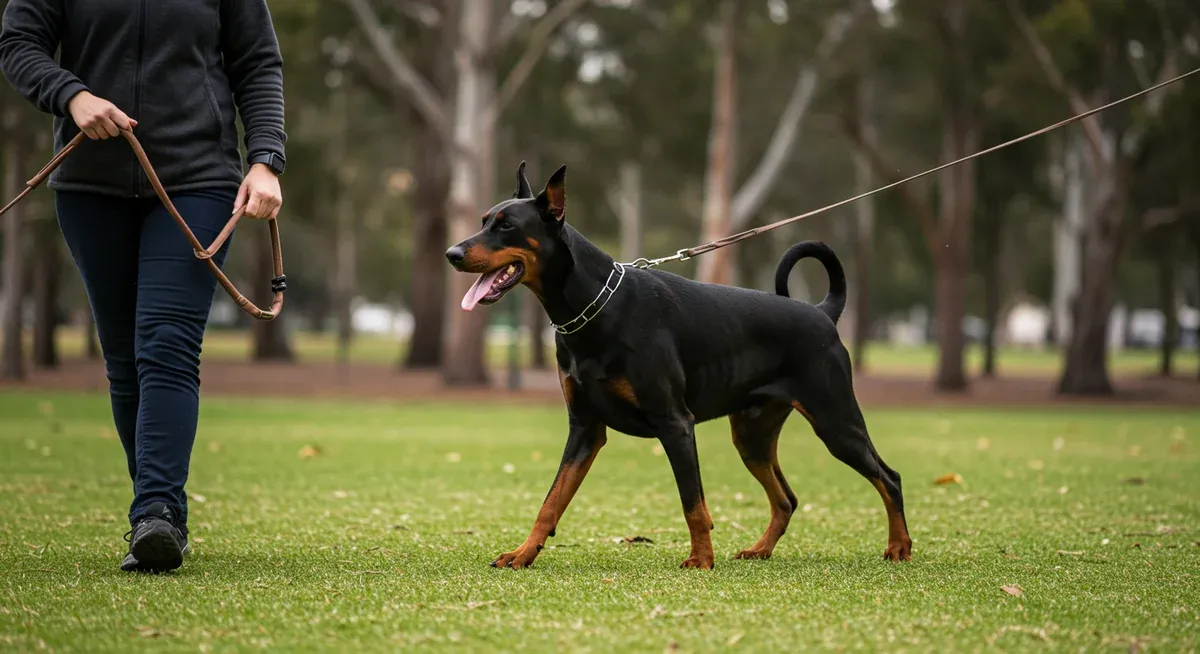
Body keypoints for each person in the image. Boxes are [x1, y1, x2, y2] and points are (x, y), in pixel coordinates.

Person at [0, 0, 288, 573]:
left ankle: (155, 512)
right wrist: (72, 95)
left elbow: (258, 64)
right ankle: (160, 514)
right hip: (89, 184)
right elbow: (17, 44)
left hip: (199, 181)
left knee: (166, 343)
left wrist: (266, 159)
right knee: (125, 358)